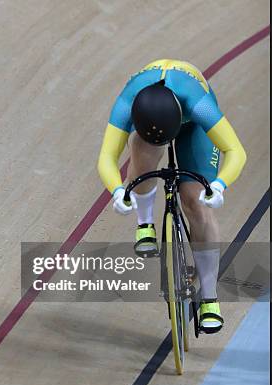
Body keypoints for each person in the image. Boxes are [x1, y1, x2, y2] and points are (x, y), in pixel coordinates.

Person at [97, 59, 247, 333]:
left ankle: (210, 299)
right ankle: (145, 225)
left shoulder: (199, 104)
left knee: (195, 201)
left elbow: (236, 151)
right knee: (142, 152)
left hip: (194, 127)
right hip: (151, 123)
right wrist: (118, 191)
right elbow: (106, 157)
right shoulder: (126, 104)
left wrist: (220, 185)